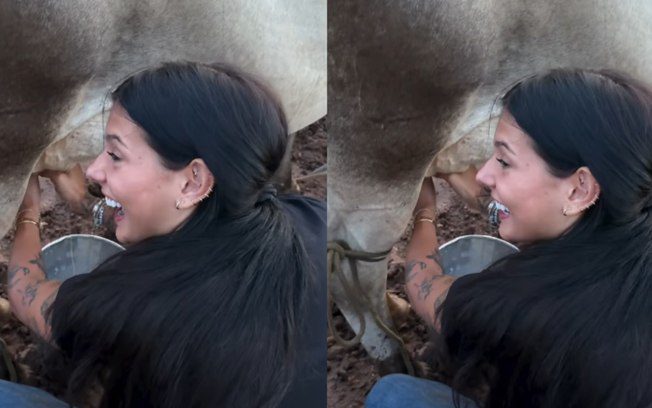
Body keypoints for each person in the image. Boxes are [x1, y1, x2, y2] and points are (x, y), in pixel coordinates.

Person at [4, 61, 326, 408]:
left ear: (193, 182)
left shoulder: (136, 307)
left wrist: (28, 213)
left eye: (115, 155)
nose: (94, 170)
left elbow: (25, 293)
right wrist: (92, 204)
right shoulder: (312, 219)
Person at [366, 69, 652, 407]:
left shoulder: (528, 306)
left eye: (504, 161)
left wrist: (425, 213)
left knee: (392, 394)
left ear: (579, 190)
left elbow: (423, 285)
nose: (483, 175)